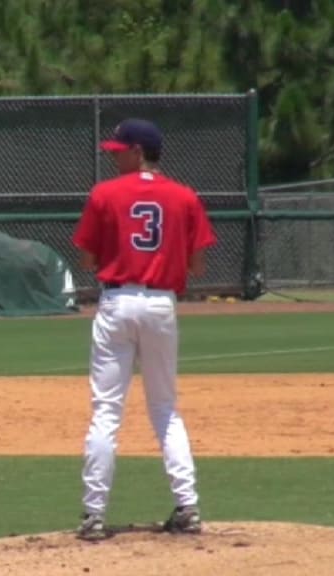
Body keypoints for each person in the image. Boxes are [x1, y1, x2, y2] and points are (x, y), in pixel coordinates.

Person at [71, 118, 217, 541]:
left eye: (119, 150)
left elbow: (86, 261)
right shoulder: (185, 197)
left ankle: (94, 516)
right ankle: (188, 508)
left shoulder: (104, 194)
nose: (113, 155)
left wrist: (120, 256)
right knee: (165, 409)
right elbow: (197, 266)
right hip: (161, 305)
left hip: (117, 302)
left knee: (106, 412)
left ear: (138, 151)